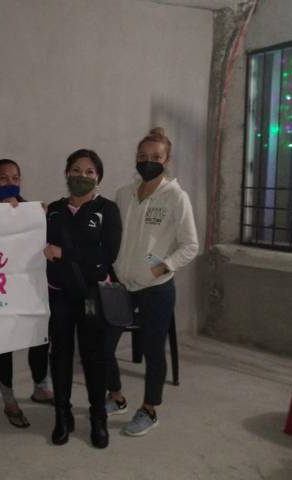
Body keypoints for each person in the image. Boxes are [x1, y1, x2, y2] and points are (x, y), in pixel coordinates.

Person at [106, 127, 198, 436]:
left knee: (153, 351)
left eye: (156, 157)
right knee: (104, 344)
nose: (148, 161)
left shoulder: (176, 197)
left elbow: (190, 245)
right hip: (122, 284)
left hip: (155, 288)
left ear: (166, 160)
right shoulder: (124, 193)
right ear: (136, 157)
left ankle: (149, 410)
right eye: (143, 156)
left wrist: (162, 267)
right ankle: (116, 396)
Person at [43, 149, 121, 448]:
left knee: (94, 356)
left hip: (92, 296)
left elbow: (106, 255)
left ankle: (98, 417)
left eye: (89, 171)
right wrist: (18, 211)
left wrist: (64, 253)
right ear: (67, 173)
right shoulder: (53, 210)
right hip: (60, 295)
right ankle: (62, 416)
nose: (82, 176)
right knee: (60, 355)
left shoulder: (107, 210)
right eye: (76, 170)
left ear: (98, 177)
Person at [0, 159, 53, 428]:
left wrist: (39, 217)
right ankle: (9, 400)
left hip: (26, 287)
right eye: (3, 178)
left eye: (15, 178)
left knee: (39, 336)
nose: (10, 183)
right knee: (3, 344)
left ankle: (41, 387)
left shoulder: (28, 209)